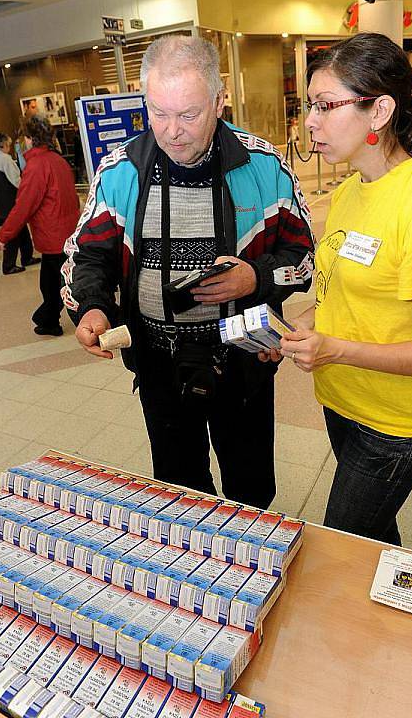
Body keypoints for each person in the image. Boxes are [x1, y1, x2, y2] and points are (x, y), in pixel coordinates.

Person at [62, 35, 314, 509]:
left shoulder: (264, 167)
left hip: (243, 360)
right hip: (158, 363)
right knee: (178, 491)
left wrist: (254, 278)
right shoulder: (121, 171)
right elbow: (88, 256)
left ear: (220, 101)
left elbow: (302, 261)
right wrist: (94, 308)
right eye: (158, 112)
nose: (172, 130)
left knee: (251, 488)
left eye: (189, 114)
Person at [269, 32, 412, 544]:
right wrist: (304, 326)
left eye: (325, 106)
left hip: (393, 424)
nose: (310, 122)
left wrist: (335, 348)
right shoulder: (348, 192)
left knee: (341, 547)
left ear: (379, 111)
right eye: (309, 106)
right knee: (375, 537)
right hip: (343, 402)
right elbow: (340, 291)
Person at [0, 115, 80, 336]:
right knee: (59, 280)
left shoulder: (36, 166)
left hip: (52, 236)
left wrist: (3, 236)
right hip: (68, 231)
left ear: (30, 138)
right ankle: (48, 318)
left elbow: (24, 206)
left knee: (54, 284)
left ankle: (50, 319)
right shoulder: (58, 160)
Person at [0, 132, 40, 275]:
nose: (9, 148)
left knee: (22, 233)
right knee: (13, 236)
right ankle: (8, 266)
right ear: (3, 145)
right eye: (8, 145)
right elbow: (17, 182)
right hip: (10, 202)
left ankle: (27, 257)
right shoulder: (5, 160)